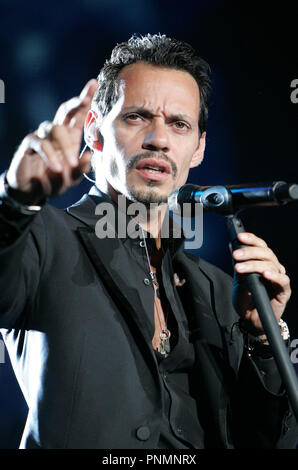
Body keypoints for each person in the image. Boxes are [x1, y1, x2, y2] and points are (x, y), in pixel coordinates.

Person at [0, 33, 297, 449]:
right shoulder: (44, 239)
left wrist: (264, 337)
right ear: (95, 131)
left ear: (198, 148)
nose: (159, 139)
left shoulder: (217, 287)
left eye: (179, 124)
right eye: (137, 117)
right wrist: (15, 200)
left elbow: (270, 442)